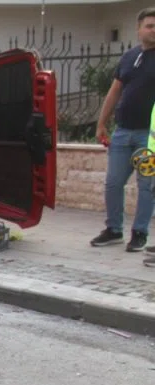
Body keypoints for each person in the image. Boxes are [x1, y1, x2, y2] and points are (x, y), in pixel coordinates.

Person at [95, 8, 155, 252]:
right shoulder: (129, 56)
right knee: (113, 183)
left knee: (146, 186)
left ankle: (139, 233)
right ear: (139, 29)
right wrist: (101, 123)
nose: (154, 30)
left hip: (148, 137)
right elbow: (114, 91)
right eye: (150, 25)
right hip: (122, 132)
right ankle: (114, 230)